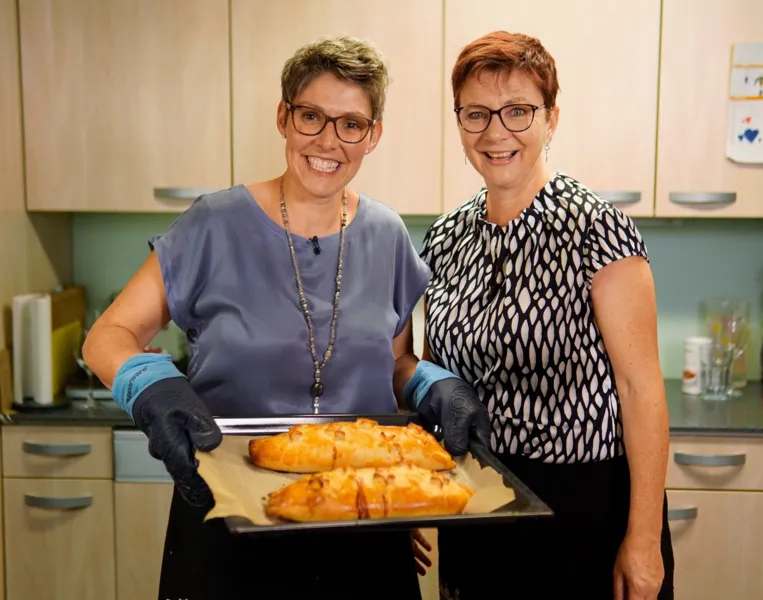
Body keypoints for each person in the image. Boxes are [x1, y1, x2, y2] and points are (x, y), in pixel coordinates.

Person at [82, 35, 475, 600]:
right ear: (283, 118)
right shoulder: (213, 224)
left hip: (358, 525)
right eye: (311, 116)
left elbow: (394, 362)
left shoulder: (386, 234)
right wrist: (150, 384)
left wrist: (429, 383)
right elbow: (110, 336)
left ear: (374, 135)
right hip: (229, 518)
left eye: (351, 124)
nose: (328, 140)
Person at [402, 31, 675, 599]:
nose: (495, 132)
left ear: (551, 118)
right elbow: (429, 374)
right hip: (474, 500)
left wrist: (643, 540)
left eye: (518, 111)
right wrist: (420, 492)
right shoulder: (446, 237)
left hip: (582, 510)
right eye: (476, 114)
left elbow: (642, 387)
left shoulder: (596, 228)